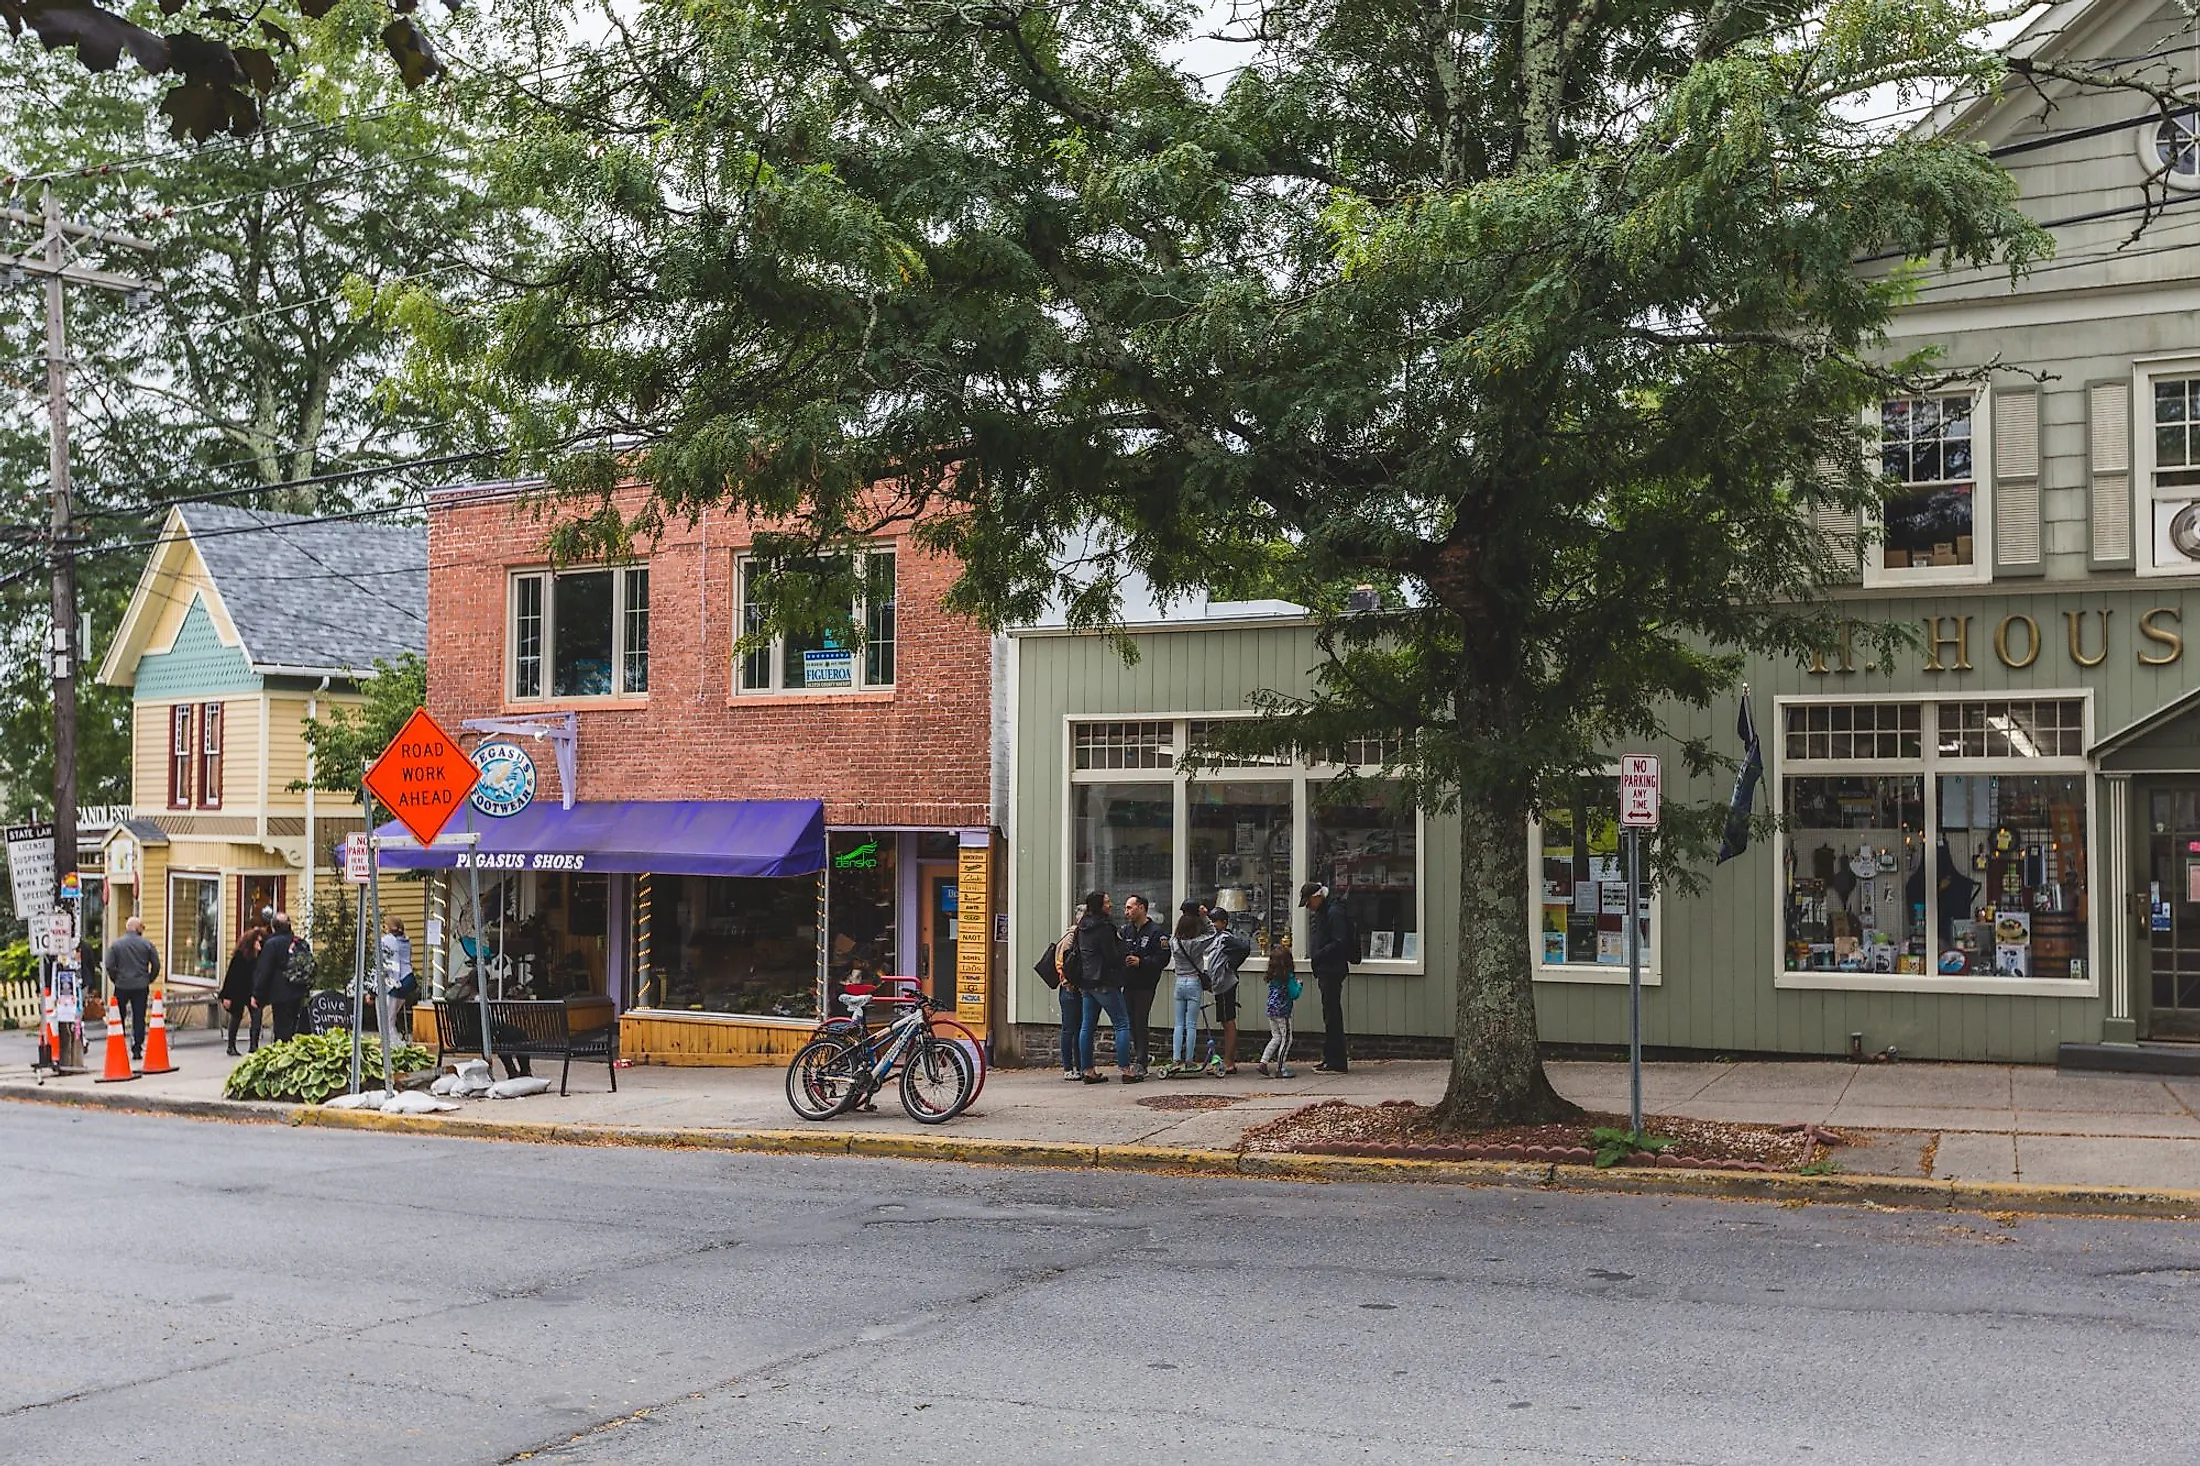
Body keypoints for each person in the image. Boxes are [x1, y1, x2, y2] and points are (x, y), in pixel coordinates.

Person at [1073, 890, 1135, 1083]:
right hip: (1105, 981)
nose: (1110, 905)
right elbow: (1112, 957)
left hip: (1086, 982)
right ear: (1100, 906)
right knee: (1122, 1024)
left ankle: (1088, 1070)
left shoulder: (1082, 927)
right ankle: (1126, 1069)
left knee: (1087, 1027)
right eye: (1107, 902)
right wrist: (1123, 950)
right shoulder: (1104, 928)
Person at [1301, 882, 1357, 1073]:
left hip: (1332, 969)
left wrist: (1319, 955)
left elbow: (1339, 942)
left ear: (1317, 897)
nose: (1308, 907)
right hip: (1326, 969)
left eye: (1308, 902)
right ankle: (1330, 1057)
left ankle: (1337, 1061)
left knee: (1332, 1015)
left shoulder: (1334, 912)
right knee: (1330, 1014)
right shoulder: (1326, 912)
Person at [1118, 893, 1167, 1080]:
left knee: (1140, 1020)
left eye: (1130, 908)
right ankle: (1135, 1056)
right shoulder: (1126, 931)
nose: (1126, 912)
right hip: (1128, 983)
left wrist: (1142, 962)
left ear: (1141, 908)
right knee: (1130, 1021)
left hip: (1145, 983)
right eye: (1126, 908)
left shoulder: (1156, 932)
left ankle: (1141, 1061)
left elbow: (1163, 958)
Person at [102, 915, 161, 1060]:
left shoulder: (116, 945)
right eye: (142, 927)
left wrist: (116, 978)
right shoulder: (147, 945)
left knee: (118, 1016)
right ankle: (137, 1047)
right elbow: (156, 965)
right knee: (139, 1016)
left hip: (121, 985)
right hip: (141, 986)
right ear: (137, 928)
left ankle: (118, 1045)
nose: (143, 930)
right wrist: (148, 979)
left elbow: (109, 965)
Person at [1206, 906, 1253, 1074]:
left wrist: (1231, 965)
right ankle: (1227, 1060)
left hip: (1226, 984)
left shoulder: (1225, 938)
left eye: (1214, 921)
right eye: (1209, 921)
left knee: (1228, 1021)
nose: (1211, 925)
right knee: (1225, 1021)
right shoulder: (1215, 938)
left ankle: (1229, 1061)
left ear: (1224, 923)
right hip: (1219, 985)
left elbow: (1244, 948)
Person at [1167, 905, 1211, 1074]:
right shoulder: (1197, 943)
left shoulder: (1174, 942)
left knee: (1178, 1023)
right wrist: (1204, 917)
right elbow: (1212, 933)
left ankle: (1176, 1059)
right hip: (1194, 982)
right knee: (1191, 1024)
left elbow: (1174, 936)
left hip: (1179, 982)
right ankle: (1189, 1060)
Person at [252, 912, 309, 1042]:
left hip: (280, 995)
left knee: (282, 1033)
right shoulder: (301, 943)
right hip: (299, 992)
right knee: (296, 1030)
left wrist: (257, 995)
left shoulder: (272, 944)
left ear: (273, 927)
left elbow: (264, 972)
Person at [221, 923, 267, 1056]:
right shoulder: (240, 956)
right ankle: (231, 1045)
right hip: (238, 990)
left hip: (253, 991)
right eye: (258, 941)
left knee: (257, 1016)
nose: (260, 944)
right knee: (236, 1017)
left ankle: (254, 1045)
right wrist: (227, 995)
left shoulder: (260, 956)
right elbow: (231, 975)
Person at [1259, 936, 1297, 1078]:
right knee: (1287, 1039)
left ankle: (1263, 1062)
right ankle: (1281, 1068)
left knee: (1276, 1037)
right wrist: (1299, 985)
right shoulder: (1289, 978)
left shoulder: (1273, 977)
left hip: (1271, 1010)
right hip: (1283, 1012)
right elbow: (1294, 994)